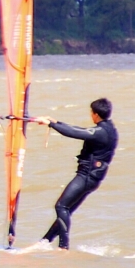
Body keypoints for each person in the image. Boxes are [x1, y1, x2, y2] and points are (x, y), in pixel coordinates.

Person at [34, 98, 118, 250]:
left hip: (86, 177)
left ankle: (63, 247)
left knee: (61, 207)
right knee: (66, 210)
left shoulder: (100, 132)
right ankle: (44, 242)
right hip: (93, 179)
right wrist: (56, 122)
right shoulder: (110, 130)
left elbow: (75, 133)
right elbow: (82, 130)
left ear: (96, 114)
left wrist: (51, 124)